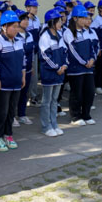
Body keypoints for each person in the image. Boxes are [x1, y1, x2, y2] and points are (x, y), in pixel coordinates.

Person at [0, 10, 27, 152]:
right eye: (14, 26)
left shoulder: (19, 42)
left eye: (17, 26)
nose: (17, 29)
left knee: (11, 111)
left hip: (16, 83)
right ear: (4, 27)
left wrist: (23, 76)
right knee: (1, 111)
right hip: (2, 84)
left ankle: (8, 134)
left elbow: (23, 61)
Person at [64, 5, 97, 126]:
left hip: (88, 68)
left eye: (85, 18)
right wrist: (84, 62)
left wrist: (92, 59)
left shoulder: (86, 32)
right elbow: (72, 51)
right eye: (82, 18)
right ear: (75, 18)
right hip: (76, 68)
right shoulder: (68, 32)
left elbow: (92, 48)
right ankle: (75, 116)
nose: (85, 20)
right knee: (76, 93)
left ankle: (86, 114)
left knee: (90, 91)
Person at [38, 8, 68, 137]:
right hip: (50, 74)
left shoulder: (59, 35)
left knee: (55, 100)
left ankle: (54, 124)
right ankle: (46, 126)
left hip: (60, 74)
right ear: (52, 22)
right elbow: (45, 56)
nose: (61, 23)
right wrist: (57, 68)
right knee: (47, 101)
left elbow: (65, 51)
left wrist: (65, 65)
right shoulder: (45, 37)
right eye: (58, 21)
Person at [15, 9, 35, 126]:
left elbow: (31, 52)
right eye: (23, 19)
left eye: (27, 19)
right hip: (17, 70)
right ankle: (12, 116)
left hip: (27, 69)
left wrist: (31, 66)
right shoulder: (15, 36)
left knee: (24, 93)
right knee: (15, 94)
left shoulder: (30, 35)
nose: (26, 21)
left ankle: (22, 114)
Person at [24, 0, 42, 110]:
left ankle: (33, 97)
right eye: (33, 7)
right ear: (27, 8)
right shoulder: (24, 20)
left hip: (35, 51)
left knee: (34, 76)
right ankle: (27, 97)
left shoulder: (37, 19)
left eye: (36, 7)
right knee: (27, 75)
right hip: (26, 51)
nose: (36, 9)